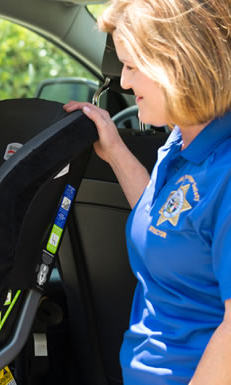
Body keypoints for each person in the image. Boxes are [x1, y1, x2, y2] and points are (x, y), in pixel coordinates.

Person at [64, 0, 231, 384]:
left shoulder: (225, 171)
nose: (123, 82)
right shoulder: (181, 140)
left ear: (178, 64)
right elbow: (165, 220)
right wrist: (116, 152)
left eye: (133, 65)